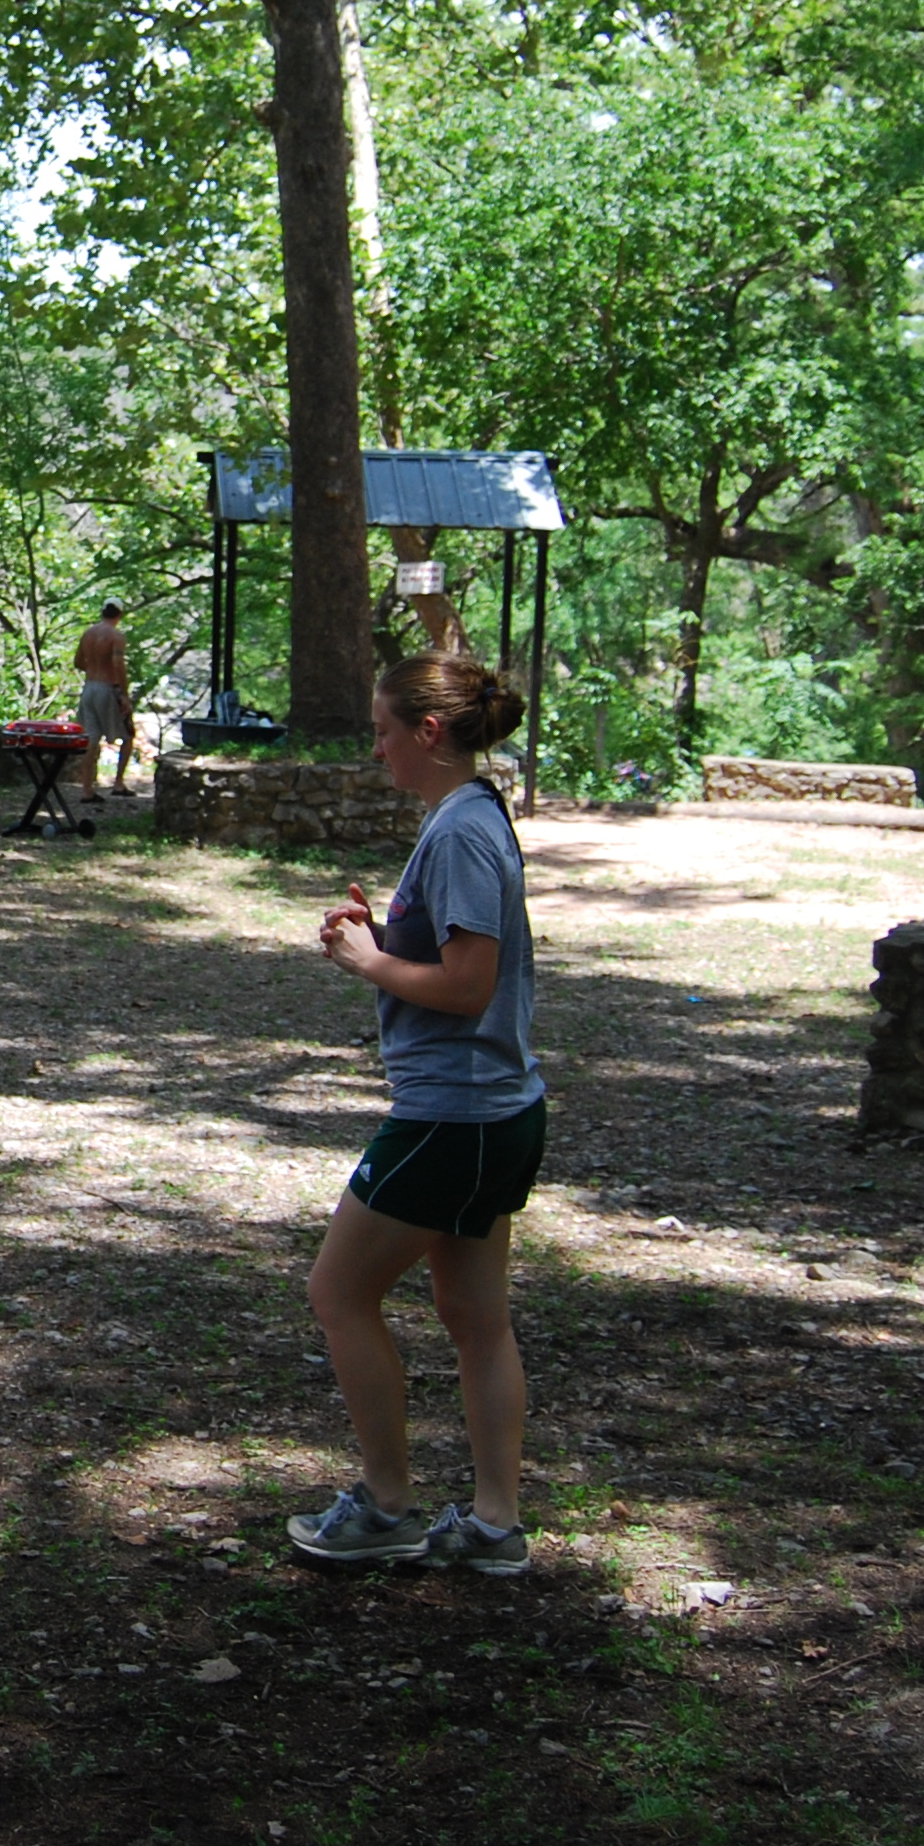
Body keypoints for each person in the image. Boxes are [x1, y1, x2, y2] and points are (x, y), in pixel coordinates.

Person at [287, 650, 544, 1577]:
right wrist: (390, 938)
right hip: (498, 1115)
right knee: (477, 1318)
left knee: (338, 1293)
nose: (377, 748)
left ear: (428, 732)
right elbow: (457, 958)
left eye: (384, 731)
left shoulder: (462, 830)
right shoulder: (473, 815)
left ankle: (388, 1505)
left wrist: (370, 962)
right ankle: (494, 1526)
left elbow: (469, 986)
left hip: (452, 1118)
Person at [74, 602, 139, 796]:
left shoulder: (88, 633)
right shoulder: (116, 636)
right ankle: (118, 783)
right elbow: (117, 664)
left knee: (91, 738)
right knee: (128, 735)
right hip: (108, 688)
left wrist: (94, 670)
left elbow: (78, 661)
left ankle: (87, 789)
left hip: (89, 688)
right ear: (119, 614)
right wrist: (124, 694)